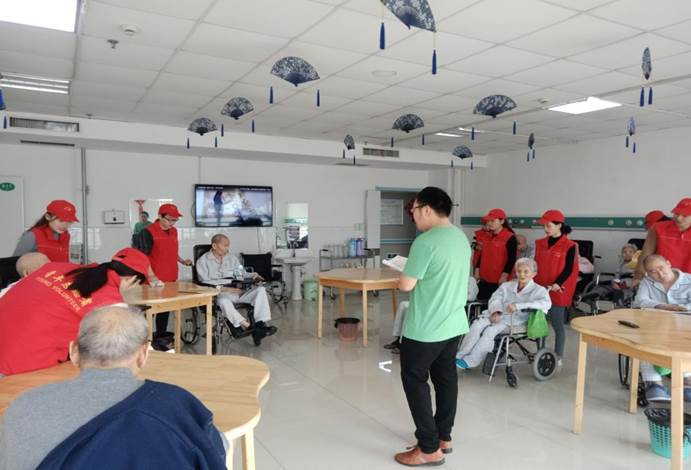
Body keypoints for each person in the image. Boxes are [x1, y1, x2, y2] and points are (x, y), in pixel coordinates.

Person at [0, 306, 227, 469]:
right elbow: (215, 453)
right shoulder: (176, 406)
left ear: (74, 352)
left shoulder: (23, 407)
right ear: (144, 353)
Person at [394, 187, 471, 467]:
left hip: (426, 328)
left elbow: (406, 285)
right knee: (446, 379)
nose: (413, 216)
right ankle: (443, 437)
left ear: (426, 209)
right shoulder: (460, 237)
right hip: (453, 323)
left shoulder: (425, 242)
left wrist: (401, 276)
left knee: (414, 380)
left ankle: (428, 448)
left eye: (414, 210)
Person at [0, 248, 150, 376]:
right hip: (19, 369)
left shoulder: (55, 267)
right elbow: (125, 347)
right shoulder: (111, 302)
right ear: (133, 280)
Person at [456, 258, 551, 369]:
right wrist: (496, 311)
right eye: (519, 271)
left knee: (490, 331)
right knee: (477, 325)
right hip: (496, 314)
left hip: (515, 321)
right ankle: (460, 355)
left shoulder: (539, 290)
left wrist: (518, 306)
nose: (522, 274)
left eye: (526, 271)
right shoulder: (507, 286)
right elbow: (495, 298)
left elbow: (545, 303)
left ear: (533, 274)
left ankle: (471, 361)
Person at [632, 254, 691, 402]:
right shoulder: (647, 282)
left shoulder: (688, 280)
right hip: (656, 329)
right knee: (643, 340)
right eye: (652, 271)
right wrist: (664, 306)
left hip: (685, 328)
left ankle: (687, 382)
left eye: (661, 268)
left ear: (669, 264)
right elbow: (639, 301)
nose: (659, 274)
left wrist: (679, 309)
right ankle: (654, 384)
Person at [195, 234, 277, 339]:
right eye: (225, 245)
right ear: (214, 246)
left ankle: (260, 324)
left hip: (237, 292)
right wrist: (227, 289)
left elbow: (242, 273)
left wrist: (254, 275)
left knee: (260, 290)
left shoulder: (232, 258)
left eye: (228, 245)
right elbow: (205, 284)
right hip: (220, 295)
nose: (227, 248)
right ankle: (249, 326)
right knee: (223, 302)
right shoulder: (202, 261)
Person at [136, 203, 193, 346]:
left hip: (171, 276)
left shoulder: (174, 231)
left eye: (175, 220)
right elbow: (142, 257)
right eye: (169, 219)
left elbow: (171, 251)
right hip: (153, 280)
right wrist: (151, 276)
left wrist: (182, 261)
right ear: (160, 216)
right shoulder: (148, 232)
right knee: (150, 310)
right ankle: (144, 339)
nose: (172, 223)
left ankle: (160, 336)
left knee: (165, 309)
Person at [384, 277, 478, 354]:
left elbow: (471, 296)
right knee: (403, 305)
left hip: (445, 306)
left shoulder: (470, 280)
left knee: (410, 309)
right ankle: (397, 337)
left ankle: (402, 343)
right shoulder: (448, 278)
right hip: (432, 301)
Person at [533, 209, 579, 366]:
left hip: (557, 290)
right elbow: (535, 264)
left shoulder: (570, 246)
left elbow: (569, 269)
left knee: (557, 324)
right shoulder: (539, 243)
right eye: (544, 226)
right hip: (540, 289)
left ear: (559, 225)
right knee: (540, 324)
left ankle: (558, 355)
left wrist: (558, 283)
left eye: (549, 225)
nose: (545, 229)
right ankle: (540, 352)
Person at [634, 198, 691, 286]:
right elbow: (646, 253)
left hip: (688, 283)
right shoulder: (657, 228)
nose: (679, 218)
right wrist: (638, 277)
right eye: (676, 213)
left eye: (685, 215)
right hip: (659, 279)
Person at [13, 200, 79, 262]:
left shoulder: (66, 236)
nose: (65, 225)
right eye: (61, 220)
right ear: (48, 217)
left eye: (69, 221)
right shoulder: (32, 236)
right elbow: (14, 263)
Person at [474, 208, 517, 300]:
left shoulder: (510, 237)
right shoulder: (486, 236)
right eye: (488, 221)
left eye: (493, 221)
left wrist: (504, 276)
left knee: (496, 305)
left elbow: (512, 259)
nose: (489, 223)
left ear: (502, 221)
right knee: (482, 304)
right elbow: (482, 255)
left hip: (499, 280)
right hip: (484, 279)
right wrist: (477, 270)